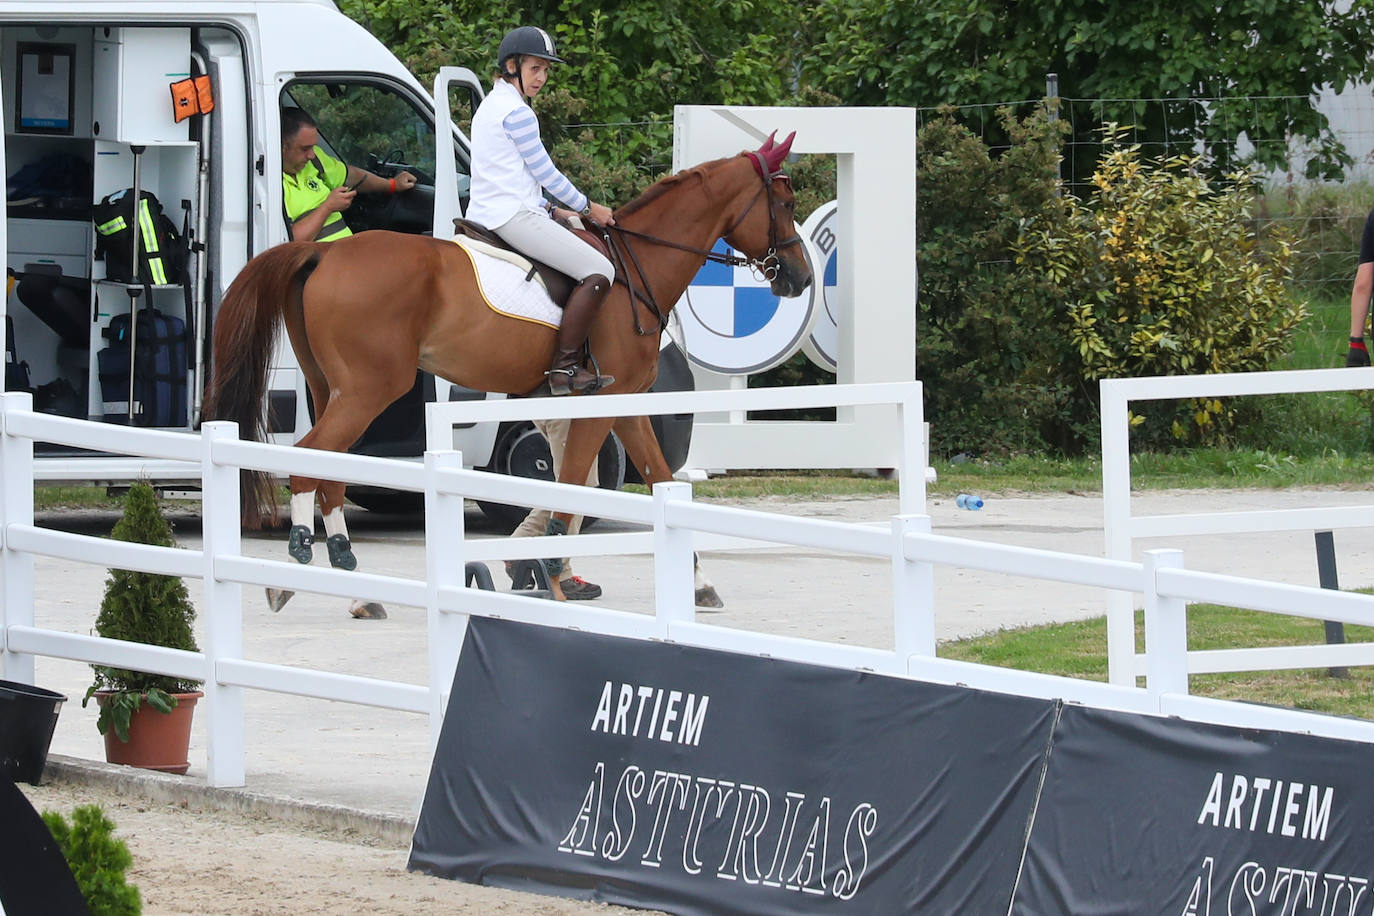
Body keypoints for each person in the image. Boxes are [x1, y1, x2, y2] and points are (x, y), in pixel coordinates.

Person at [466, 25, 618, 396]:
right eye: (535, 68)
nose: (542, 78)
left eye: (546, 70)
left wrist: (553, 209)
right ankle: (564, 368)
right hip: (510, 217)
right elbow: (544, 172)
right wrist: (587, 207)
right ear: (512, 66)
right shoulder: (518, 113)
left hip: (493, 210)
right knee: (601, 269)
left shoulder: (492, 104)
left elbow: (512, 175)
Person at [280, 107, 418, 242]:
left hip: (346, 253)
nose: (311, 155)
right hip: (317, 262)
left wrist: (391, 185)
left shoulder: (314, 161)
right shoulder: (270, 184)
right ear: (282, 146)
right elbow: (291, 244)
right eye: (305, 149)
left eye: (313, 147)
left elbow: (351, 176)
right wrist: (328, 206)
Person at [505, 418, 603, 600]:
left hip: (571, 409)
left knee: (579, 485)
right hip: (570, 407)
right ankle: (560, 571)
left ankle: (518, 546)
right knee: (575, 487)